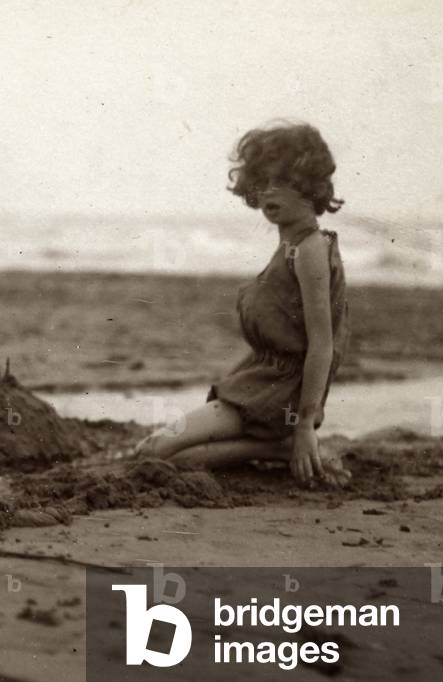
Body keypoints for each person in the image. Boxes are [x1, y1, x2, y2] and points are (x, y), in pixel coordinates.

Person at [135, 121, 351, 485]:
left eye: (282, 182)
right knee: (176, 459)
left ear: (310, 186)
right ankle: (272, 448)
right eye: (263, 182)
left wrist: (304, 426)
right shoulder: (291, 246)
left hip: (280, 392)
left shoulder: (311, 249)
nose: (269, 192)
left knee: (153, 450)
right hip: (261, 381)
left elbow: (323, 345)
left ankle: (281, 445)